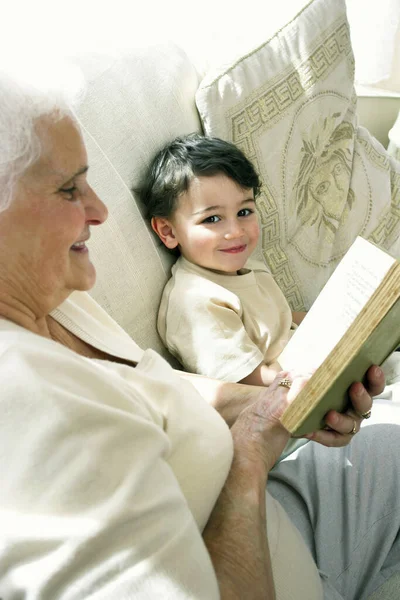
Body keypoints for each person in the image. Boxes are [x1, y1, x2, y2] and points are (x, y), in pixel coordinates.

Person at [0, 60, 399, 600]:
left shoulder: (55, 297)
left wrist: (279, 407)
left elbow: (161, 386)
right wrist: (253, 450)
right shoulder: (31, 406)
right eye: (70, 190)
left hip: (292, 520)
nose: (99, 210)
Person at [140, 133, 307, 386]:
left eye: (244, 212)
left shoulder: (248, 267)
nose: (236, 231)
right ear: (168, 231)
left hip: (309, 360)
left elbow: (281, 318)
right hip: (287, 393)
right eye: (212, 219)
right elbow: (248, 383)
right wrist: (315, 375)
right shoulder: (196, 301)